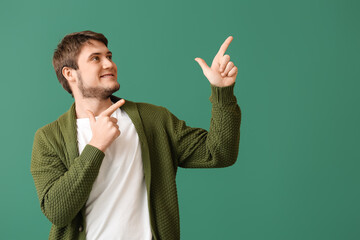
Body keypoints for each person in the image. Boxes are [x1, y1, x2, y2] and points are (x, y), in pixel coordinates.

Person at [31, 30, 241, 240]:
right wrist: (96, 146)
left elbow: (219, 153)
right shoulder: (49, 138)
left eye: (109, 56)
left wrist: (222, 91)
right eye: (96, 58)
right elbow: (57, 211)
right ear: (69, 73)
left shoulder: (154, 119)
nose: (108, 64)